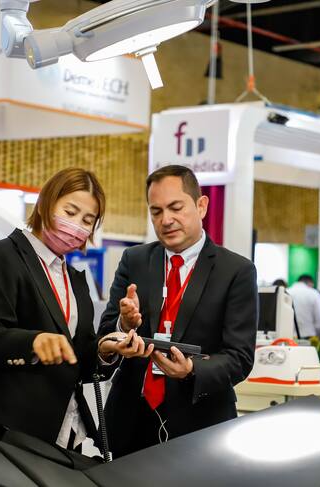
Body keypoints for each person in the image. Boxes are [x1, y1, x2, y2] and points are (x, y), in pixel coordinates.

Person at [0, 168, 147, 450]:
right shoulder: (1, 255)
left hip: (63, 434)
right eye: (70, 212)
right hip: (3, 429)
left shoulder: (76, 281)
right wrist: (33, 342)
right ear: (45, 203)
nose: (76, 225)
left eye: (87, 220)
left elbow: (78, 359)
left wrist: (108, 346)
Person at [99, 165, 258, 458]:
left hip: (200, 424)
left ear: (201, 206)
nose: (166, 220)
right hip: (131, 421)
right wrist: (123, 324)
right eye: (156, 211)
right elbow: (105, 334)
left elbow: (240, 357)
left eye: (175, 208)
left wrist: (192, 370)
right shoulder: (134, 260)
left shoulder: (236, 271)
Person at [288, 274, 320, 339]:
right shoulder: (314, 293)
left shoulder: (287, 292)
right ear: (310, 283)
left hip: (288, 337)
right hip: (309, 337)